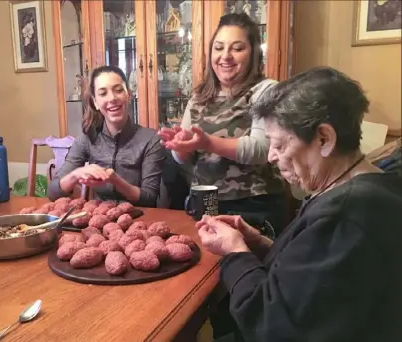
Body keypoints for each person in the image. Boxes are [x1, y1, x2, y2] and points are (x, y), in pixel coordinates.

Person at [196, 67, 402, 342]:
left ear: (324, 139)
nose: (271, 156)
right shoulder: (360, 189)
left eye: (279, 145)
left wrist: (235, 252)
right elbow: (312, 275)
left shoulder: (347, 215)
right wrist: (258, 244)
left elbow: (268, 325)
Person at [158, 13, 286, 237]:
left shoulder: (266, 90)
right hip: (205, 205)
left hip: (255, 207)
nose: (225, 56)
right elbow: (186, 162)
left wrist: (207, 142)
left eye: (237, 48)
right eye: (218, 48)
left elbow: (261, 150)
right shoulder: (199, 96)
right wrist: (180, 148)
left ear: (253, 53)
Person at [48, 65, 164, 207]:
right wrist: (76, 174)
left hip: (141, 219)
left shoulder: (151, 139)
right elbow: (53, 192)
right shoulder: (87, 139)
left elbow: (149, 198)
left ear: (129, 95)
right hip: (100, 218)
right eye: (103, 93)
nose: (112, 98)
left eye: (119, 90)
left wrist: (115, 180)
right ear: (95, 102)